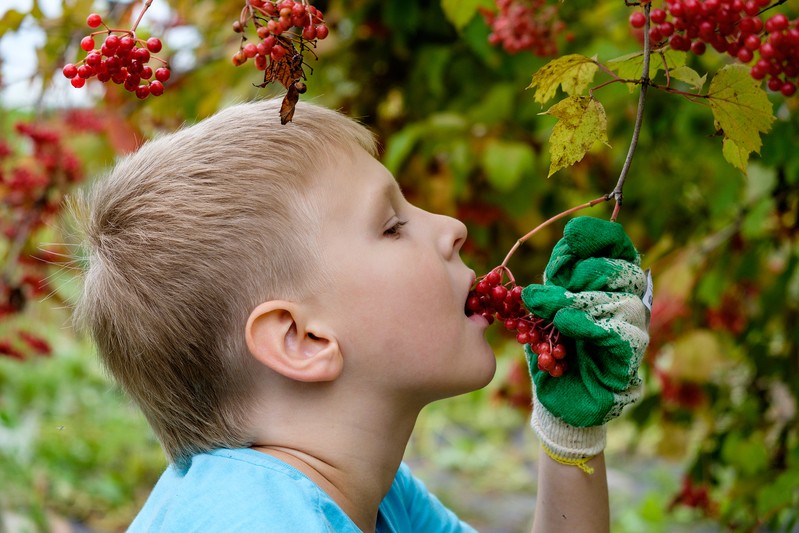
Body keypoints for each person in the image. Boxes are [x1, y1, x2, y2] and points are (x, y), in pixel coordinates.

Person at [71, 97, 650, 532]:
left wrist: (570, 435)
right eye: (392, 225)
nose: (452, 227)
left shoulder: (377, 498)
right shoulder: (251, 522)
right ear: (301, 338)